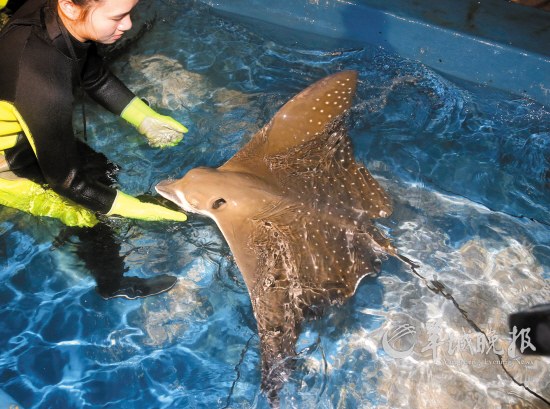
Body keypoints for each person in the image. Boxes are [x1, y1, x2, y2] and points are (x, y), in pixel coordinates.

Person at [0, 0, 188, 299]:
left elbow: (91, 73)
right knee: (87, 215)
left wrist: (142, 116)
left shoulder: (53, 16)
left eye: (130, 12)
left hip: (26, 126)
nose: (128, 24)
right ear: (71, 7)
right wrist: (133, 209)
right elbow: (68, 182)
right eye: (118, 16)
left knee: (104, 170)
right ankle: (112, 284)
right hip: (5, 160)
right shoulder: (39, 77)